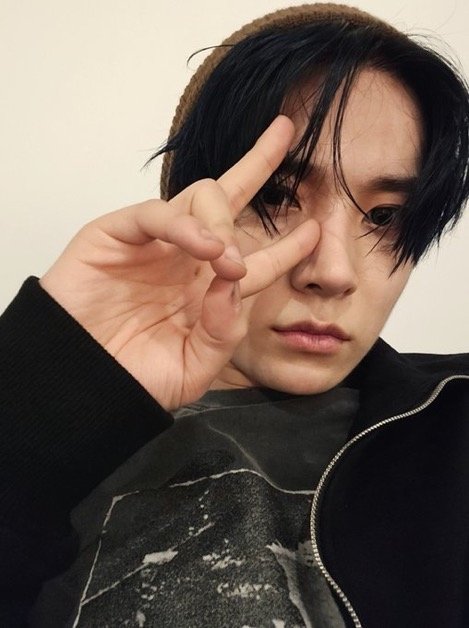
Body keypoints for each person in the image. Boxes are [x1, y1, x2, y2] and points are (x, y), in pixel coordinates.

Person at [1, 3, 469, 627]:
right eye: (275, 196)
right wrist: (40, 395)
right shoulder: (54, 433)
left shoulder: (453, 421)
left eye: (385, 217)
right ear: (190, 207)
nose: (332, 271)